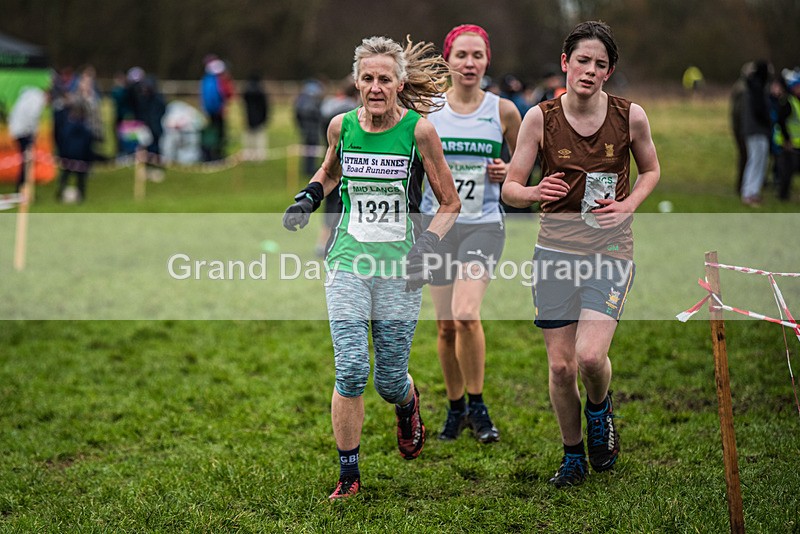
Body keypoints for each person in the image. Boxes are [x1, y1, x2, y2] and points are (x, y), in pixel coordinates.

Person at [282, 35, 460, 500]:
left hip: (401, 268)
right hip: (348, 262)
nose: (376, 86)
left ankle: (407, 404)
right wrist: (309, 196)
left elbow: (449, 203)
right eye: (368, 78)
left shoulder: (419, 132)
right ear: (356, 82)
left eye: (385, 78)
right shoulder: (341, 126)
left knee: (388, 379)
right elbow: (331, 171)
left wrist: (428, 244)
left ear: (399, 83)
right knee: (352, 368)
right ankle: (349, 474)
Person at [502, 21, 660, 487]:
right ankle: (573, 456)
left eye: (601, 64)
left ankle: (599, 409)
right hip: (554, 252)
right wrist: (535, 192)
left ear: (609, 72)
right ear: (564, 64)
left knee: (590, 359)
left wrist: (629, 204)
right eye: (583, 61)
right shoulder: (538, 118)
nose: (590, 71)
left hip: (610, 250)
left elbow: (650, 170)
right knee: (560, 365)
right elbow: (511, 188)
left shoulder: (631, 116)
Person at [419, 24, 521, 444]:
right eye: (461, 54)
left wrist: (508, 171)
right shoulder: (427, 111)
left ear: (486, 60)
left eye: (477, 55)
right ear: (448, 60)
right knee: (445, 326)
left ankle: (478, 406)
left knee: (465, 313)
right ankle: (455, 406)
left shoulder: (504, 111)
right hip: (438, 227)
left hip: (483, 225)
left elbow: (526, 162)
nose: (469, 63)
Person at [739, 60, 772, 207]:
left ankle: (751, 192)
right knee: (756, 161)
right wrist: (768, 122)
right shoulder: (756, 88)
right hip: (757, 131)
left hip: (752, 131)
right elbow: (761, 111)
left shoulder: (751, 86)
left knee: (755, 161)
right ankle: (750, 193)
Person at [8, 86, 47, 193]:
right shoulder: (37, 99)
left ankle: (23, 188)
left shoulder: (28, 97)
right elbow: (32, 117)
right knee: (27, 162)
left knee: (26, 161)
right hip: (24, 133)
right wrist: (33, 133)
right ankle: (22, 189)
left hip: (18, 131)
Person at [200, 56, 234, 161]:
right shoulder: (218, 81)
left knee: (213, 132)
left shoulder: (206, 80)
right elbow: (227, 94)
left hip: (210, 111)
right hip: (217, 111)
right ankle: (217, 154)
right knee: (219, 133)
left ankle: (212, 154)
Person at [294, 79, 324, 178]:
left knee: (307, 147)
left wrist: (299, 125)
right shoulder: (315, 95)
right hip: (312, 126)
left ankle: (307, 168)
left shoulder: (302, 96)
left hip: (304, 126)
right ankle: (310, 169)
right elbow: (316, 111)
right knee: (312, 147)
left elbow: (297, 111)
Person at [241, 73, 270, 161]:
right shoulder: (261, 91)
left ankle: (249, 155)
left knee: (249, 138)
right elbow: (265, 106)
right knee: (259, 138)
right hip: (259, 118)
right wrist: (265, 118)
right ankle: (260, 156)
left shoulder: (246, 91)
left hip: (248, 117)